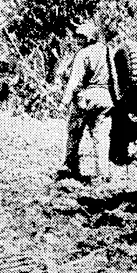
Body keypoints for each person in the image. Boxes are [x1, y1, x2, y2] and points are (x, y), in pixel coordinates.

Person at [59, 21, 113, 182]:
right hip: (105, 98)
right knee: (102, 137)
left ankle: (70, 167)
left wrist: (65, 102)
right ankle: (102, 174)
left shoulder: (83, 54)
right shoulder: (108, 51)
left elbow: (74, 81)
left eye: (80, 37)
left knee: (74, 132)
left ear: (87, 37)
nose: (78, 40)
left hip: (86, 97)